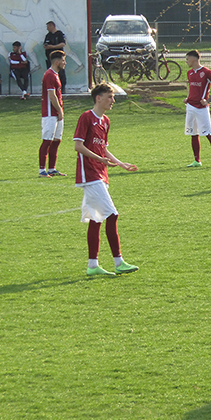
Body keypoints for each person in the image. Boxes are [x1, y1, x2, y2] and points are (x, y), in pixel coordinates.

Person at [73, 82, 139, 277]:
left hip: (101, 174)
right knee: (112, 215)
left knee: (96, 219)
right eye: (110, 97)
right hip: (90, 175)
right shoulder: (86, 117)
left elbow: (103, 149)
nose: (113, 100)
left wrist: (120, 163)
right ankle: (118, 262)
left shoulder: (106, 121)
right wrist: (99, 159)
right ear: (98, 98)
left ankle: (92, 265)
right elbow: (78, 146)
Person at [184, 49, 211, 168]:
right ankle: (197, 160)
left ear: (193, 59)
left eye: (187, 59)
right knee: (193, 133)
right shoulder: (190, 73)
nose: (186, 61)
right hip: (190, 107)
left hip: (201, 108)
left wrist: (208, 100)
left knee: (209, 133)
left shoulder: (207, 72)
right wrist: (188, 98)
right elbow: (192, 88)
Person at [39, 50, 66, 177]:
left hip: (57, 112)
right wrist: (59, 110)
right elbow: (52, 95)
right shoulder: (49, 75)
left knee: (56, 140)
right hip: (50, 113)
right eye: (63, 60)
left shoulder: (55, 74)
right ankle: (41, 170)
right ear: (57, 62)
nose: (65, 63)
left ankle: (51, 168)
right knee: (47, 141)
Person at [43, 21, 67, 92]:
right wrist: (46, 46)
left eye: (48, 27)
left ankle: (62, 89)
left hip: (58, 57)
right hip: (50, 58)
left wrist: (52, 47)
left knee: (60, 73)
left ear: (52, 26)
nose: (47, 29)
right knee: (51, 74)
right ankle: (52, 88)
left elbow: (63, 44)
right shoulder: (48, 35)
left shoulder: (59, 34)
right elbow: (45, 44)